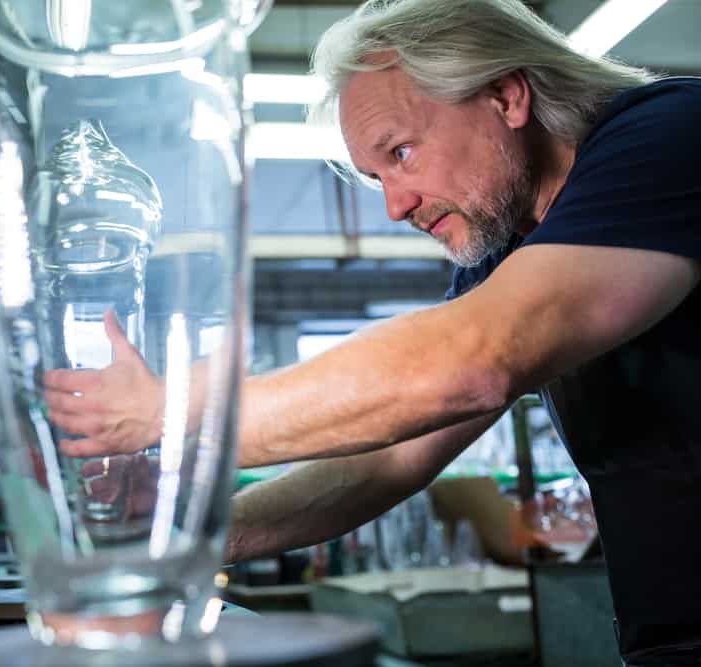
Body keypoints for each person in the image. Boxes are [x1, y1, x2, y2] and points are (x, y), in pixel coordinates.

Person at [43, 0, 701, 662]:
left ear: (506, 96)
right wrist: (186, 525)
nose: (394, 205)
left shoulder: (669, 137)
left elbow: (472, 361)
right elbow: (387, 458)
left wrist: (170, 411)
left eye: (403, 152)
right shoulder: (512, 252)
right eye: (376, 176)